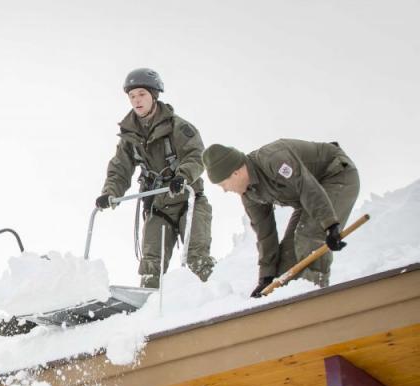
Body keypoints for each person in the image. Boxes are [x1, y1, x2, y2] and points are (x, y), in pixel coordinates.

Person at [95, 68, 215, 288]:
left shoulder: (178, 127)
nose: (137, 101)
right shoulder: (130, 136)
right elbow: (120, 168)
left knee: (197, 258)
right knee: (150, 266)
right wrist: (110, 193)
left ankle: (208, 302)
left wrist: (183, 176)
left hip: (190, 200)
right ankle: (150, 311)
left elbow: (197, 155)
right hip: (159, 206)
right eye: (132, 96)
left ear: (154, 95)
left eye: (141, 94)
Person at [202, 140, 360, 295]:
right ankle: (289, 310)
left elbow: (307, 186)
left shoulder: (273, 160)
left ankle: (315, 297)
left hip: (336, 174)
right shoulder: (249, 194)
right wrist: (266, 277)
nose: (224, 190)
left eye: (223, 184)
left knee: (309, 236)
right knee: (286, 262)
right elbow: (265, 233)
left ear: (235, 173)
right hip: (306, 198)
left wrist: (330, 225)